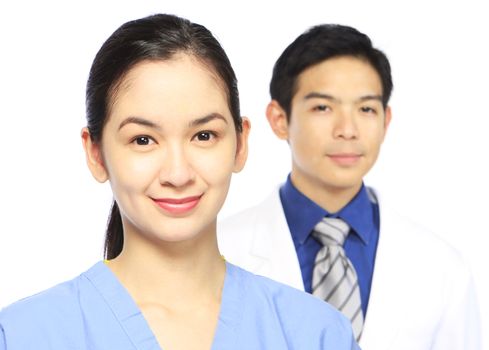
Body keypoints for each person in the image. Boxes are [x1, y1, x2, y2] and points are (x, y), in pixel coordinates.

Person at [0, 14, 360, 350]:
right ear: (96, 154)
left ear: (240, 143)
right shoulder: (24, 335)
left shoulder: (316, 334)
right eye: (143, 140)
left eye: (204, 136)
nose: (178, 174)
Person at [218, 24, 481, 349]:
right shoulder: (220, 252)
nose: (347, 130)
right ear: (279, 119)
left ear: (385, 121)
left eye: (366, 109)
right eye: (323, 107)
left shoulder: (442, 268)